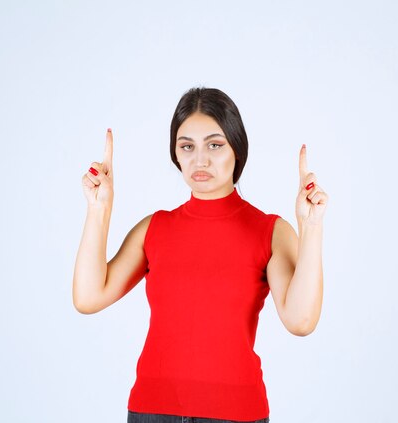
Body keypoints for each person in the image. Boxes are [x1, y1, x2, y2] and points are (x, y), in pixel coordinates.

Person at [73, 87, 327, 423]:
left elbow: (301, 320)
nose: (200, 160)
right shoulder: (154, 228)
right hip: (152, 411)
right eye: (187, 146)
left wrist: (311, 228)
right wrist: (99, 209)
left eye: (215, 144)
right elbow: (88, 297)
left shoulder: (271, 231)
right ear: (175, 154)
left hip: (235, 414)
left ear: (237, 148)